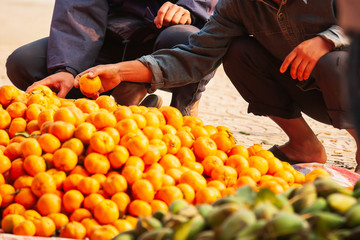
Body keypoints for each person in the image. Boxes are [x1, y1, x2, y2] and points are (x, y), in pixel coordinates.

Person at [73, 0, 359, 169]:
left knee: (335, 62)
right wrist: (121, 72)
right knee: (236, 50)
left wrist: (328, 39)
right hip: (305, 86)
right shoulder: (237, 5)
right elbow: (195, 55)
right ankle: (303, 146)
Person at [6, 0, 217, 116]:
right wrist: (66, 68)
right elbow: (78, 6)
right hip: (114, 32)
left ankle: (184, 106)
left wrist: (190, 6)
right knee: (24, 62)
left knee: (189, 39)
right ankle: (109, 111)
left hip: (171, 32)